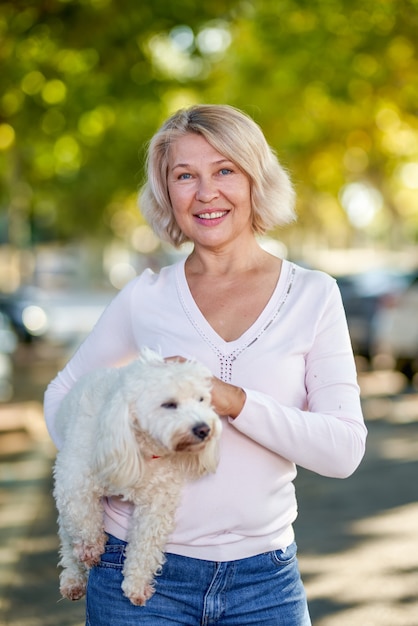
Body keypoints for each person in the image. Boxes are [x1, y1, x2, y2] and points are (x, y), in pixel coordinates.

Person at [44, 104, 367, 626]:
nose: (206, 192)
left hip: (264, 583)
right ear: (166, 193)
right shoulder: (145, 298)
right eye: (184, 175)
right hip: (134, 576)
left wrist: (231, 399)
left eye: (225, 170)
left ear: (255, 181)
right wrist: (108, 456)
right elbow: (64, 392)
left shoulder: (313, 295)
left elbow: (344, 451)